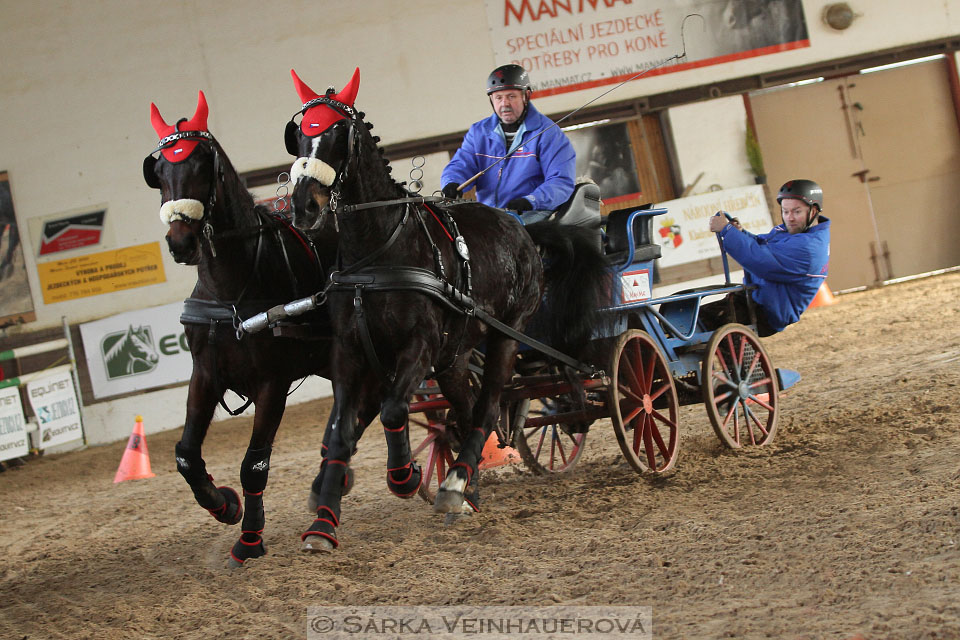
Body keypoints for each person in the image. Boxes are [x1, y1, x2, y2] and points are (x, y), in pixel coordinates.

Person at [441, 64, 576, 224]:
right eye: (498, 98)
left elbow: (561, 181)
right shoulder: (479, 132)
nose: (504, 104)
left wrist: (531, 200)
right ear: (491, 100)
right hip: (491, 214)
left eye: (511, 96)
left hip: (534, 213)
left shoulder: (548, 133)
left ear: (526, 96)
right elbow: (461, 164)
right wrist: (451, 182)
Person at [701, 179, 831, 336]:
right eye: (785, 211)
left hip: (765, 312)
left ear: (814, 211)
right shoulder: (794, 233)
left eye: (797, 212)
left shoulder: (809, 247)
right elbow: (763, 245)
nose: (789, 218)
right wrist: (740, 233)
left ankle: (741, 358)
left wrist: (727, 230)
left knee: (701, 323)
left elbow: (759, 259)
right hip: (753, 299)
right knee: (690, 316)